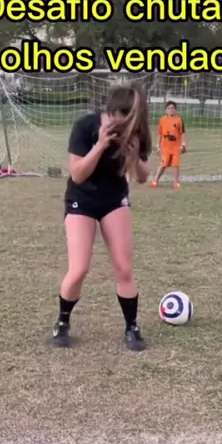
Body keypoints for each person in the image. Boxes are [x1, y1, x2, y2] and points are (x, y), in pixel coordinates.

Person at [52, 83, 152, 351]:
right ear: (110, 111)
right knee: (79, 269)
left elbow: (143, 177)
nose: (123, 123)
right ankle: (62, 322)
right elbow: (78, 174)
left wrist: (133, 155)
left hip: (114, 199)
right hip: (82, 199)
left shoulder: (136, 131)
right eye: (120, 116)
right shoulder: (85, 126)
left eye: (131, 118)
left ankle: (132, 328)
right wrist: (100, 145)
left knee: (124, 268)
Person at [150, 101, 186, 190]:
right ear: (166, 110)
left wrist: (183, 144)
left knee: (176, 165)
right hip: (165, 147)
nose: (171, 110)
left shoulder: (179, 119)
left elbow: (182, 133)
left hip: (176, 147)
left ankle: (176, 183)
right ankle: (155, 181)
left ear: (175, 109)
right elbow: (160, 134)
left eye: (172, 108)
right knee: (163, 164)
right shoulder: (162, 120)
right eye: (169, 108)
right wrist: (158, 146)